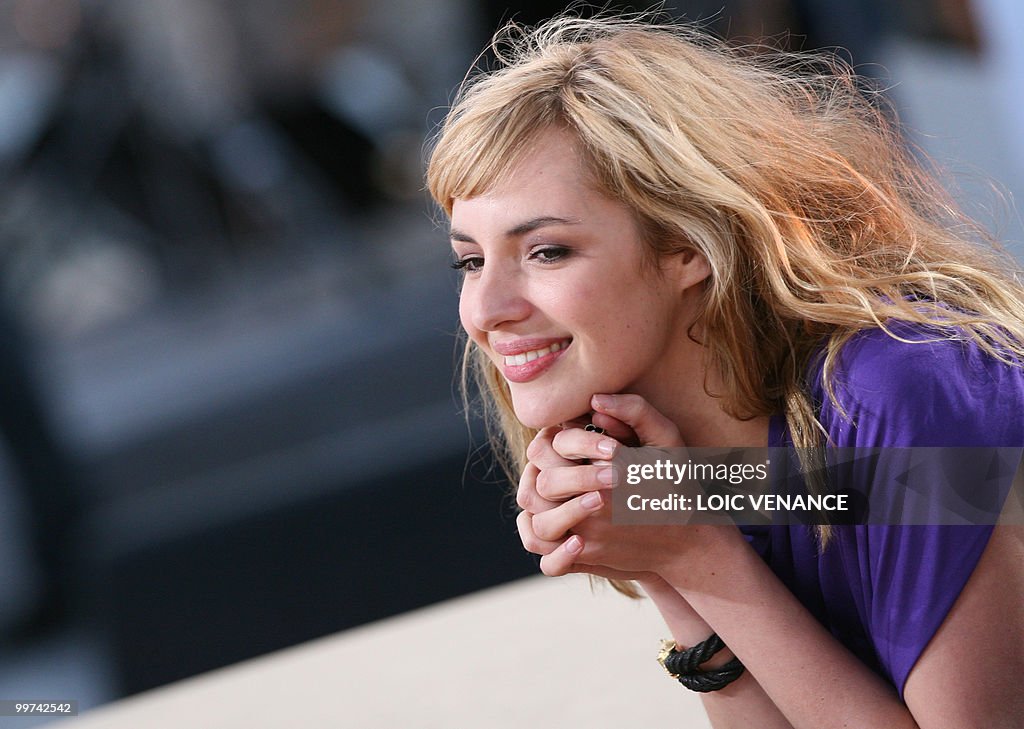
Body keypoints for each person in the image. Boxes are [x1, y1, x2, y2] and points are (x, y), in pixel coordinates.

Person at [426, 14, 1024, 728]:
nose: (486, 309)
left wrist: (699, 553)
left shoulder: (908, 389)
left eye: (547, 251)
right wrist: (672, 560)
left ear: (687, 244)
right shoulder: (716, 471)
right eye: (470, 260)